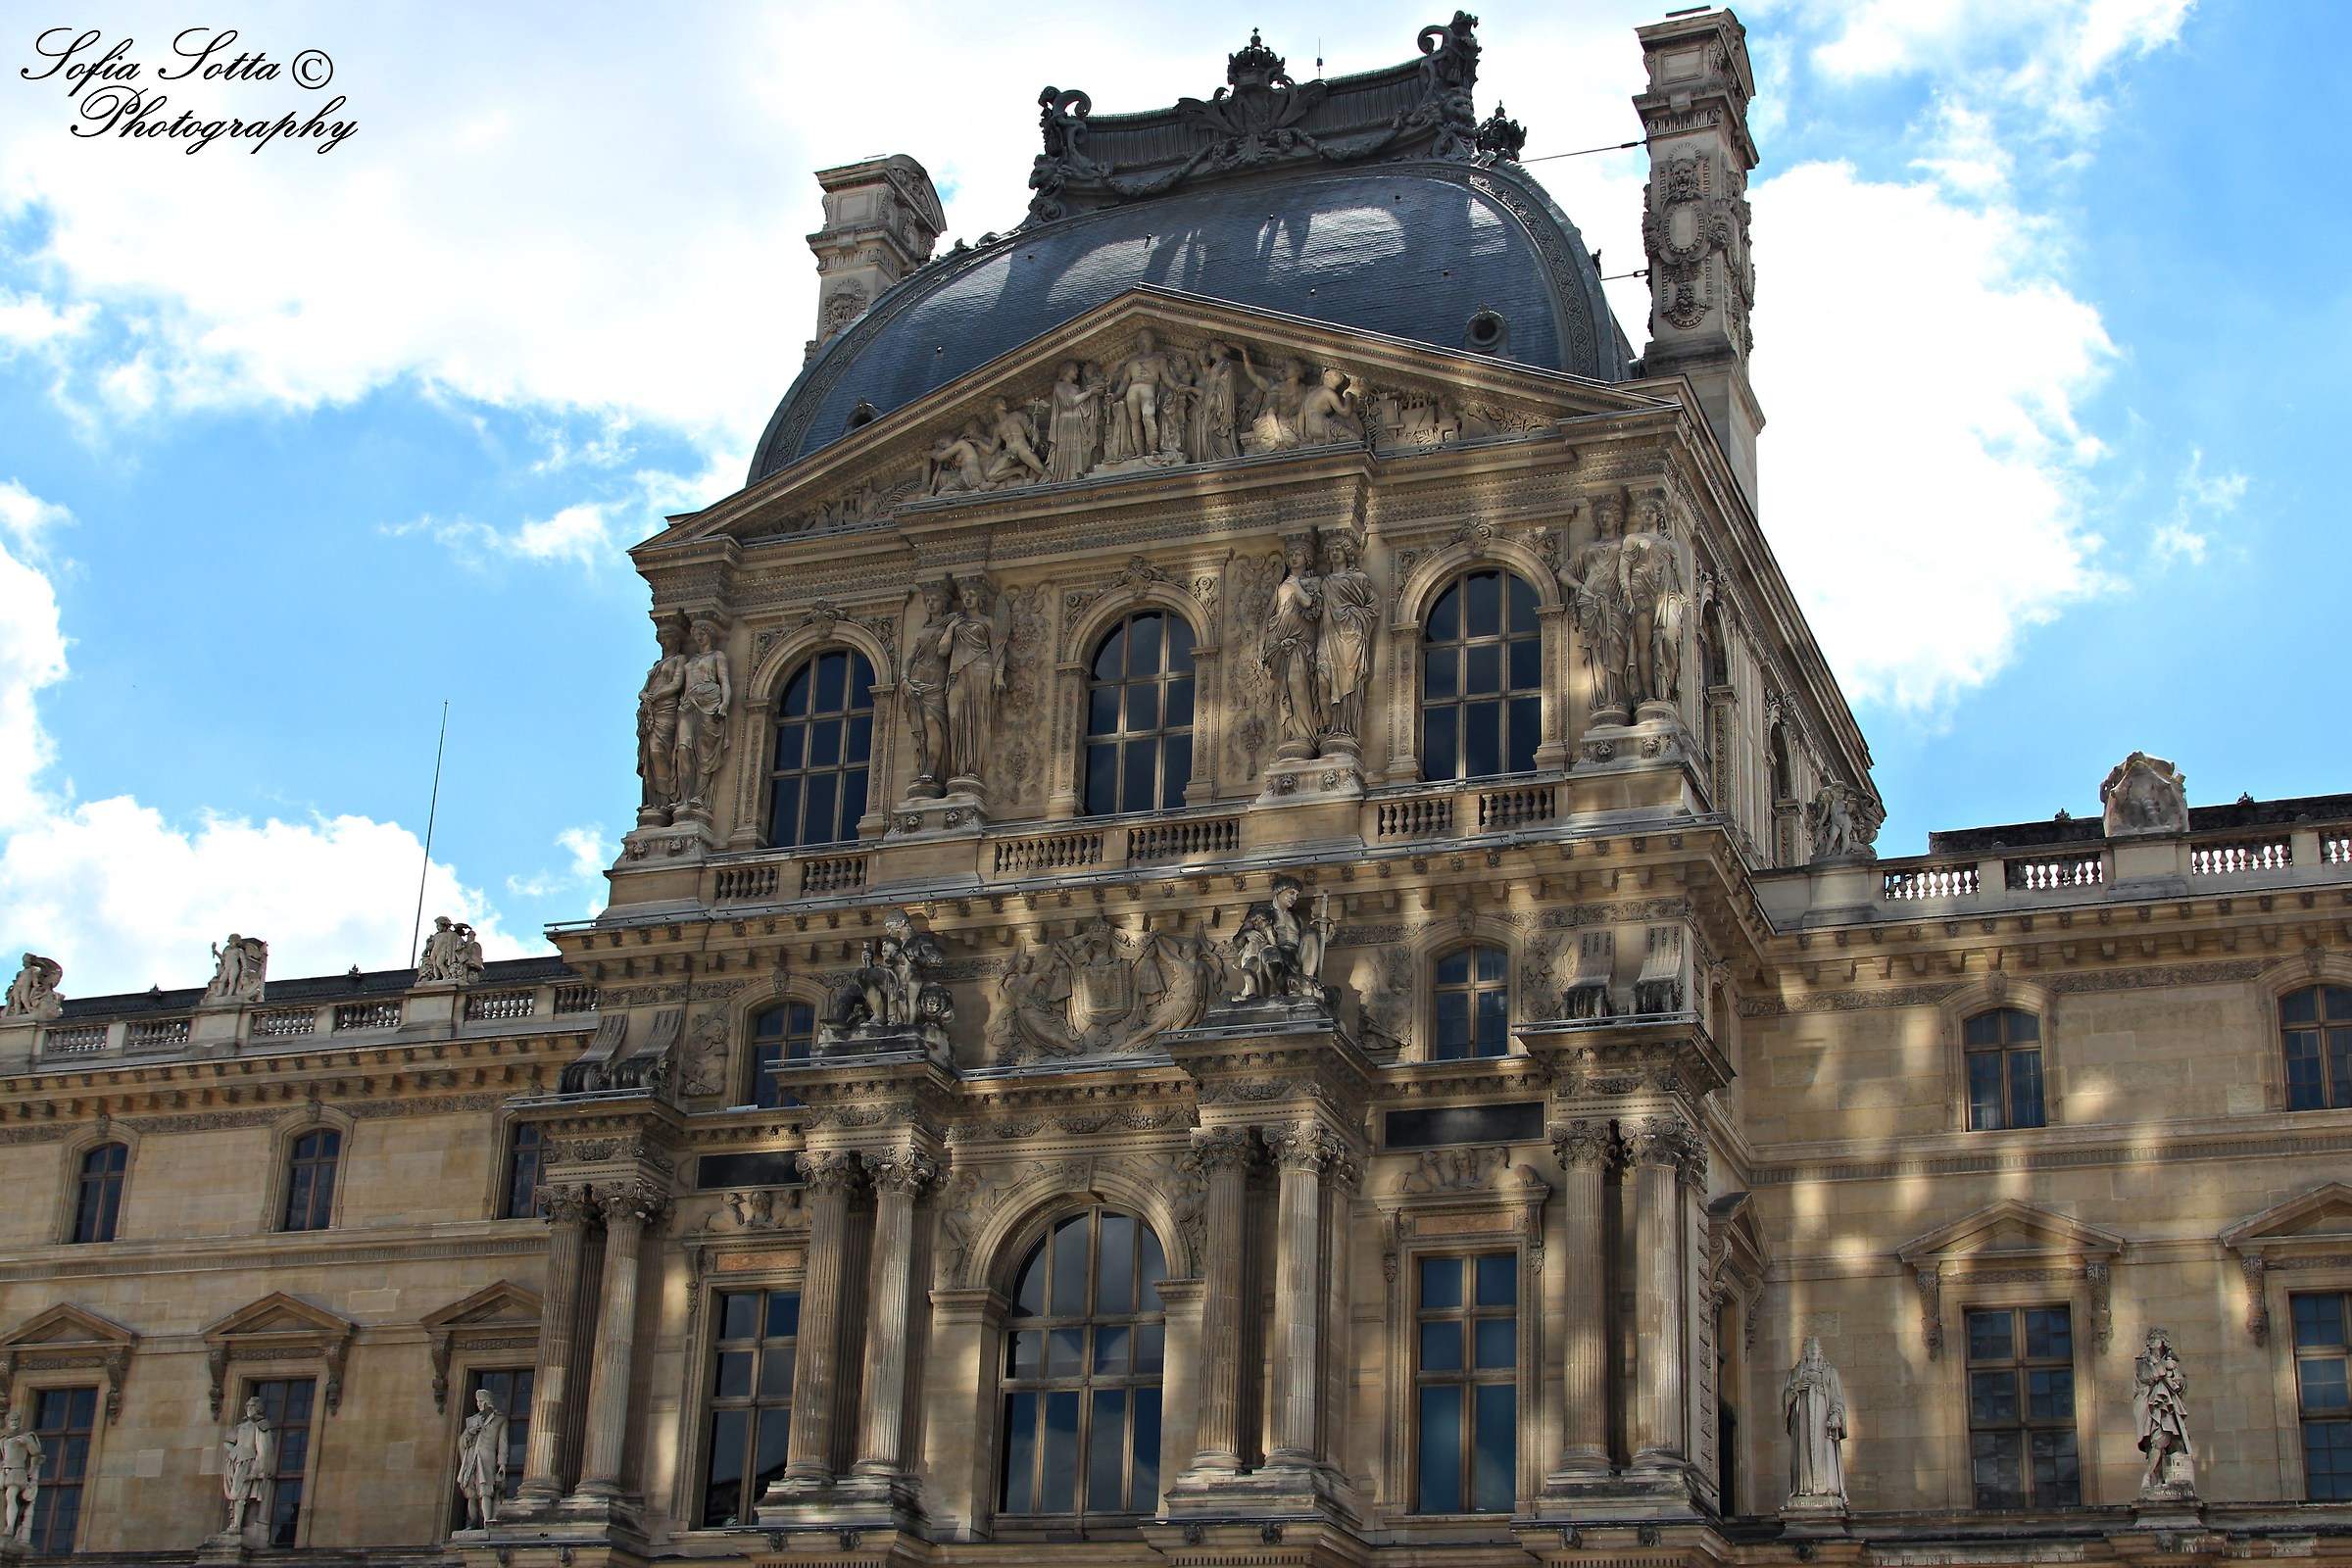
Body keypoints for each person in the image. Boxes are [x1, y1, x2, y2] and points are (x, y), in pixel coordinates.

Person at [1782, 1336, 1847, 1506]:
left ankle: (1827, 1489)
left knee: (1824, 1451)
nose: (1812, 1351)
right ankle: (1805, 1488)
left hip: (1822, 1426)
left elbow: (1837, 1399)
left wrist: (1834, 1415)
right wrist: (1796, 1389)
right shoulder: (1796, 1374)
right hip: (1802, 1424)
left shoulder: (1830, 1373)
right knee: (1804, 1451)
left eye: (1815, 1348)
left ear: (1820, 1351)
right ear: (1804, 1352)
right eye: (1809, 1348)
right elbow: (1786, 1400)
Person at [454, 1387, 511, 1528]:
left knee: (485, 1490)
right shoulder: (473, 1420)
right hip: (471, 1457)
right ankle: (473, 1522)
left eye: (480, 1401)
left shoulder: (500, 1419)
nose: (478, 1404)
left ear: (487, 1402)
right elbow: (463, 1441)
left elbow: (503, 1443)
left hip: (487, 1458)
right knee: (471, 1492)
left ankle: (486, 1521)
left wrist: (502, 1463)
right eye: (477, 1401)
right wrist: (469, 1433)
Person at [221, 1395, 276, 1535]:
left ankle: (236, 1525)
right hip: (235, 1460)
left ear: (258, 1409)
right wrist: (233, 1451)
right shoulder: (241, 1425)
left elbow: (263, 1449)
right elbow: (228, 1441)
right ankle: (235, 1523)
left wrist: (257, 1469)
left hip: (247, 1460)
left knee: (239, 1493)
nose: (248, 1409)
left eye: (251, 1406)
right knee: (235, 1493)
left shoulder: (261, 1425)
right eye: (247, 1406)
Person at [0, 1411, 43, 1545]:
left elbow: (35, 1452)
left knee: (10, 1496)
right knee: (4, 1499)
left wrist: (27, 1443)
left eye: (16, 1420)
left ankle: (10, 1527)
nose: (13, 1422)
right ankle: (8, 1525)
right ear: (7, 1422)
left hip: (18, 1470)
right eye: (11, 1420)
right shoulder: (3, 1439)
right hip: (5, 1470)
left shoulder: (26, 1436)